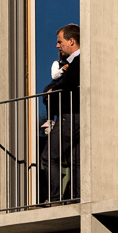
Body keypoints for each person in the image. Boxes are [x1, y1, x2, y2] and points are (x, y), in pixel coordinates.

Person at [40, 23, 80, 203]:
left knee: (49, 156)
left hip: (70, 115)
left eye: (60, 41)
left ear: (71, 41)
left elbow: (68, 83)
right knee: (75, 159)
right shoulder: (72, 63)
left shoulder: (76, 62)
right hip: (77, 116)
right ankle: (77, 198)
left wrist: (52, 90)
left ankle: (55, 199)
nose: (57, 45)